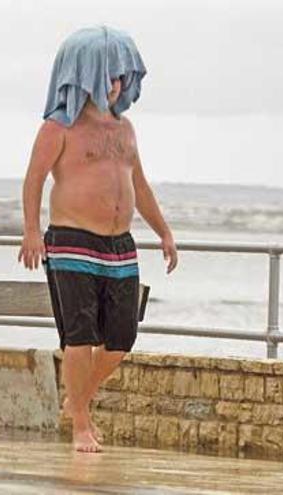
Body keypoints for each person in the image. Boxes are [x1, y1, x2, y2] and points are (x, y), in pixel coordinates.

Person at [19, 27, 178, 453]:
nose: (116, 84)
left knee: (122, 337)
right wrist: (32, 231)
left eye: (121, 77)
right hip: (71, 241)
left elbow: (140, 186)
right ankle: (81, 426)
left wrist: (164, 231)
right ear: (86, 76)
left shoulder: (126, 129)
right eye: (108, 75)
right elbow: (34, 179)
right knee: (80, 335)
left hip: (120, 245)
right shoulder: (59, 127)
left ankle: (77, 400)